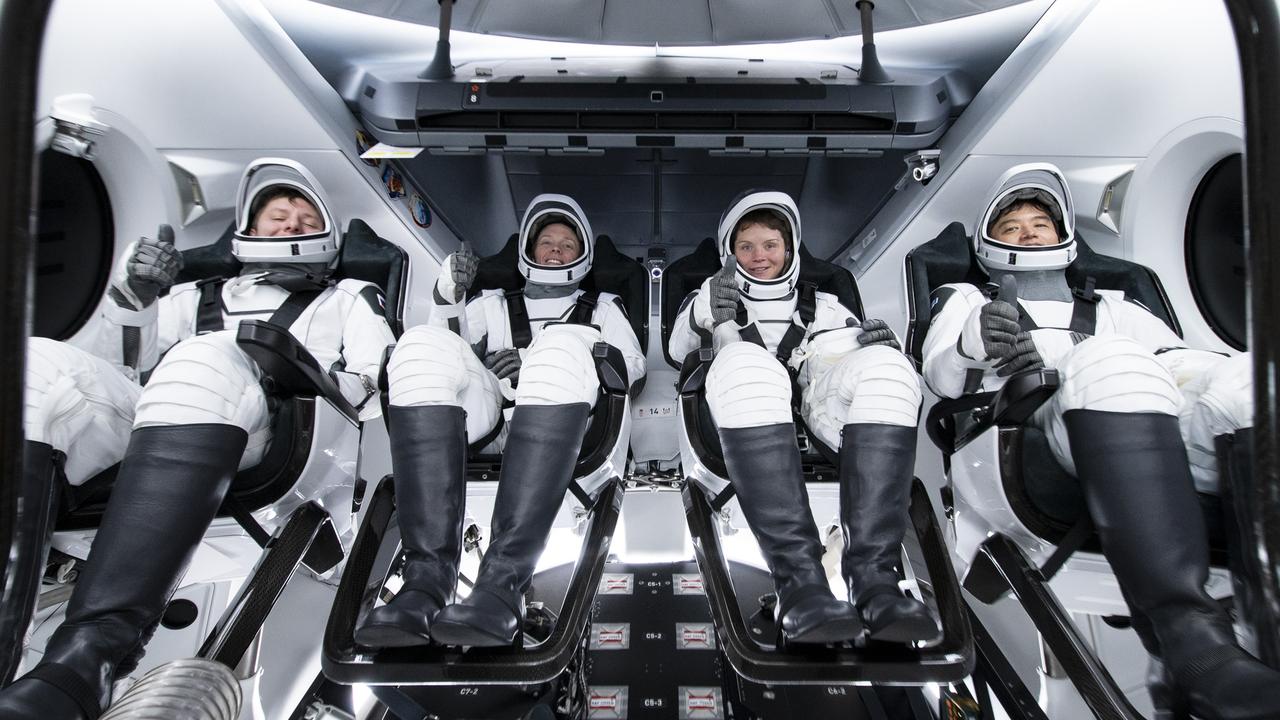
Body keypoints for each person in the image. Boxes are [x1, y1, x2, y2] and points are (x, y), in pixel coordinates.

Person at [2, 158, 395, 720]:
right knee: (38, 365)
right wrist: (136, 300)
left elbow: (367, 380)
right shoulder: (192, 297)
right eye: (276, 216)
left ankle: (87, 665)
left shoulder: (348, 297)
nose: (288, 224)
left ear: (327, 235)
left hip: (286, 437)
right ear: (248, 231)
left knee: (203, 353)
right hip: (159, 422)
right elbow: (120, 373)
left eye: (303, 217)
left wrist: (282, 367)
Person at [921, 162, 1280, 719]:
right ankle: (1188, 647)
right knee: (1109, 358)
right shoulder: (967, 298)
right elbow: (941, 377)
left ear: (1064, 235)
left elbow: (1181, 364)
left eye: (1039, 222)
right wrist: (974, 343)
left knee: (1248, 380)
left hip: (1150, 419)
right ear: (989, 240)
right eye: (1011, 225)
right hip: (1031, 429)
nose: (1027, 232)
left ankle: (1268, 623)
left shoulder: (1116, 306)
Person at [354, 194, 645, 649]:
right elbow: (448, 348)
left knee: (560, 347)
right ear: (527, 252)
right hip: (489, 424)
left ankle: (500, 586)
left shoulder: (604, 307)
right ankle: (425, 584)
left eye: (567, 244)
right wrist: (448, 301)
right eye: (545, 241)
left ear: (582, 255)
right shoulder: (490, 303)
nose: (555, 250)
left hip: (570, 427)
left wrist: (534, 359)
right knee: (419, 347)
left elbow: (632, 365)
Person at [668, 191, 941, 645]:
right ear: (729, 255)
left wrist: (877, 344)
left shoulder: (827, 305)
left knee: (890, 369)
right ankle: (800, 587)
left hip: (821, 413)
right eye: (746, 247)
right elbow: (677, 351)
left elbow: (844, 364)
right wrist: (708, 312)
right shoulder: (710, 297)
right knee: (743, 362)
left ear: (790, 249)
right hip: (735, 411)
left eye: (770, 245)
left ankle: (876, 583)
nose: (759, 256)